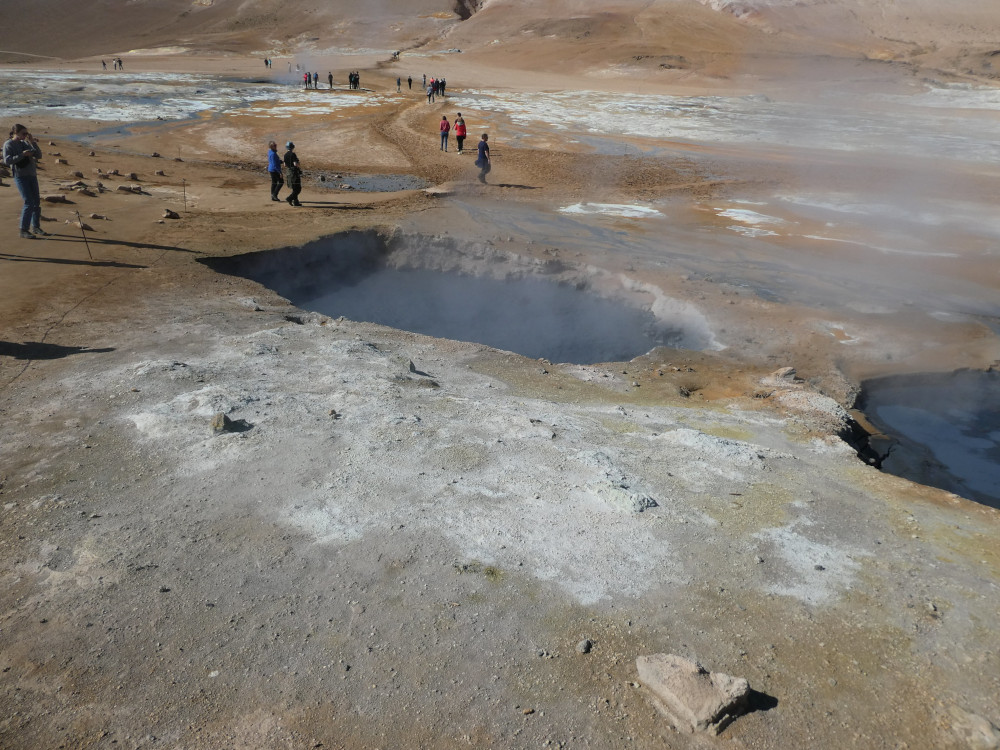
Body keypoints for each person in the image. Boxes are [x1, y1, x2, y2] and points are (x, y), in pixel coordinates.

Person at [3, 123, 48, 238]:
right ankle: (23, 230)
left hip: (32, 175)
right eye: (23, 133)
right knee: (29, 202)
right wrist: (22, 155)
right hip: (20, 176)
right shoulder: (9, 144)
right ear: (15, 133)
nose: (25, 135)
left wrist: (32, 142)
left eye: (26, 133)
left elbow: (38, 155)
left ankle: (36, 227)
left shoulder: (25, 143)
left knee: (36, 202)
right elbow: (7, 161)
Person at [283, 141, 302, 206]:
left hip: (288, 172)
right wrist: (298, 163)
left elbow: (285, 165)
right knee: (298, 189)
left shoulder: (285, 155)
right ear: (292, 147)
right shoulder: (293, 154)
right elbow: (295, 164)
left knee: (294, 188)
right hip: (294, 173)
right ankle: (289, 198)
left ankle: (296, 202)